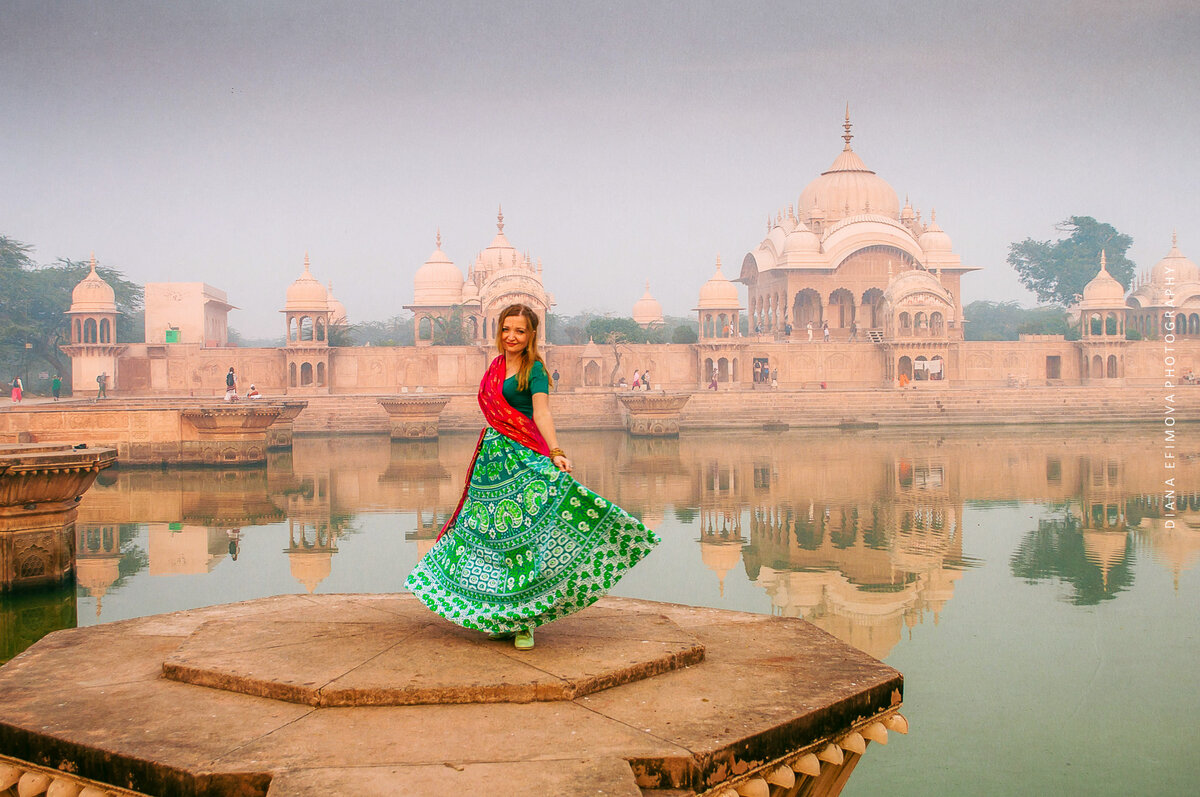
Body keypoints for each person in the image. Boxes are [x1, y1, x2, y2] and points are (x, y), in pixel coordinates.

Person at [406, 304, 659, 651]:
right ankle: (499, 615)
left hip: (524, 459)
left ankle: (525, 622)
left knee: (524, 541)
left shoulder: (535, 370)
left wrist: (556, 452)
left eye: (520, 331)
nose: (512, 336)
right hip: (491, 465)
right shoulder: (495, 367)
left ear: (531, 335)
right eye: (507, 329)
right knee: (488, 539)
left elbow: (541, 412)